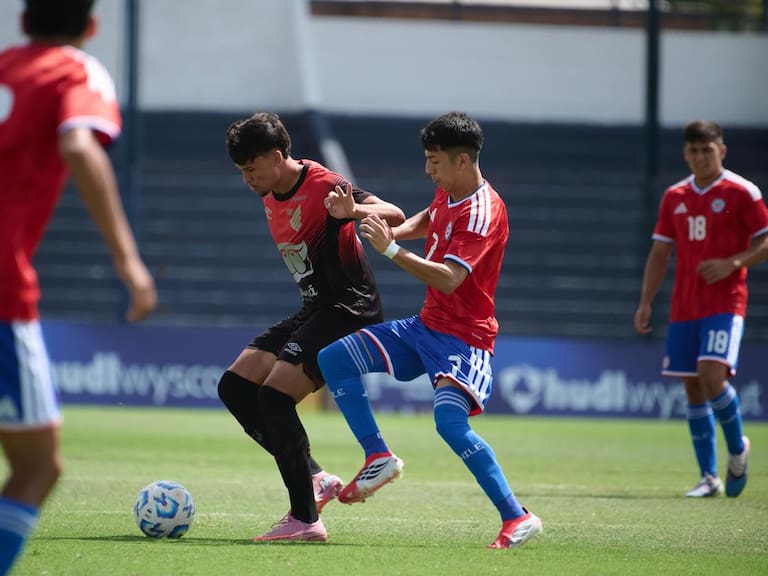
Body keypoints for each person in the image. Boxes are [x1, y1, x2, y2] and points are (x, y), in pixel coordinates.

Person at [317, 111, 542, 549]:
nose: (428, 170)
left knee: (449, 423)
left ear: (462, 161)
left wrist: (392, 249)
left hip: (465, 340)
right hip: (424, 328)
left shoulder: (481, 211)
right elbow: (424, 219)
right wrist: (358, 213)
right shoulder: (449, 192)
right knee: (334, 358)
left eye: (434, 162)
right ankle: (377, 455)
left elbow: (449, 279)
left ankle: (517, 517)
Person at [0, 0, 157, 573]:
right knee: (38, 467)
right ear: (91, 27)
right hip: (2, 289)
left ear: (21, 22)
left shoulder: (4, 66)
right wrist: (127, 258)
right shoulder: (75, 70)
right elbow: (78, 144)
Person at [220, 112, 405, 542]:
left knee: (274, 398)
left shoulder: (322, 184)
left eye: (251, 169)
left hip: (348, 309)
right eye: (241, 172)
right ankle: (317, 478)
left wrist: (353, 211)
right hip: (315, 307)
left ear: (277, 156)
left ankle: (305, 519)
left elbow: (394, 214)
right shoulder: (270, 191)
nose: (247, 180)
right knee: (234, 387)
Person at [634, 119, 768, 498]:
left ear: (721, 151)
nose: (699, 157)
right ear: (685, 154)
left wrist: (733, 263)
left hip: (725, 303)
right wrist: (646, 302)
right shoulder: (674, 196)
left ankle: (738, 447)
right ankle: (709, 477)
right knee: (692, 387)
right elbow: (660, 253)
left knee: (712, 376)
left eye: (706, 150)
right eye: (692, 151)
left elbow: (765, 240)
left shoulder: (743, 192)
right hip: (684, 305)